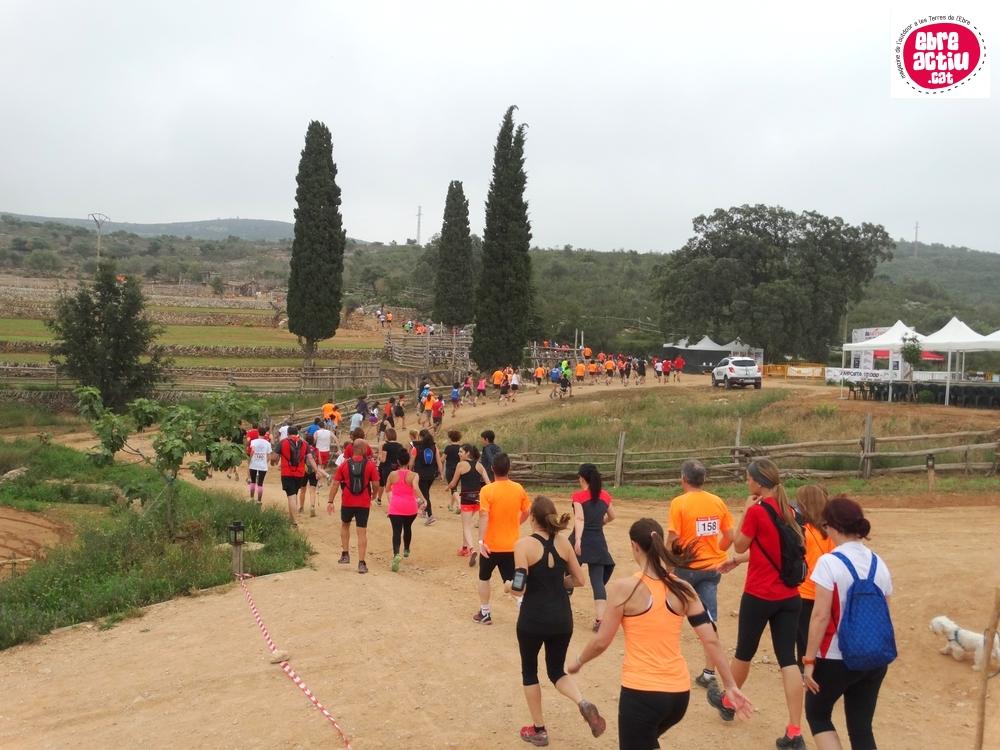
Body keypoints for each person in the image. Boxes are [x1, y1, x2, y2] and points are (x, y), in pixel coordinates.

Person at [568, 518, 752, 750]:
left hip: (642, 694)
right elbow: (711, 639)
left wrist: (579, 661)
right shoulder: (683, 588)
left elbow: (601, 641)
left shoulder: (624, 589)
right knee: (646, 741)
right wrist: (730, 685)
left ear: (634, 546)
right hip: (678, 697)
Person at [711, 459, 805, 749]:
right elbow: (775, 550)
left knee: (745, 651)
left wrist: (745, 511)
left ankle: (729, 701)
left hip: (759, 594)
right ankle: (795, 730)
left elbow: (740, 543)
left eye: (748, 478)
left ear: (758, 482)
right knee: (788, 659)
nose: (746, 481)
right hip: (789, 595)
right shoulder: (790, 511)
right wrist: (739, 561)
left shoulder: (757, 511)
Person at [507, 496, 606, 746]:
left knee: (530, 671)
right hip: (562, 619)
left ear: (532, 518)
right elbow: (580, 580)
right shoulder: (563, 542)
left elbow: (519, 587)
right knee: (556, 671)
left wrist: (508, 586)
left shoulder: (524, 545)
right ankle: (582, 701)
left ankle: (539, 729)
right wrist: (560, 582)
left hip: (532, 619)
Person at [803, 497, 894, 750]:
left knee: (818, 715)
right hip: (874, 657)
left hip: (835, 656)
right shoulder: (879, 563)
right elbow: (884, 612)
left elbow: (820, 616)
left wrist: (809, 661)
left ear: (832, 526)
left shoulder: (829, 562)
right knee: (861, 727)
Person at [666, 459, 735, 689]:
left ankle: (667, 665)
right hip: (711, 569)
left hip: (686, 568)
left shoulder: (679, 503)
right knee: (708, 619)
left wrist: (668, 565)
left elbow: (673, 538)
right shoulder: (717, 501)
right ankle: (709, 672)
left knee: (671, 615)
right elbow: (729, 536)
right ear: (703, 479)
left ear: (683, 479)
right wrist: (716, 552)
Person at [474, 453, 529, 625]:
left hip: (490, 546)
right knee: (512, 580)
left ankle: (485, 612)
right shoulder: (518, 488)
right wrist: (516, 523)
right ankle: (523, 607)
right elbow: (526, 511)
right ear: (509, 468)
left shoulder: (487, 490)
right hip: (511, 545)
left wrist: (481, 541)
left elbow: (484, 516)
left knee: (484, 577)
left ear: (492, 469)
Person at [571, 463, 616, 632]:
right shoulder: (605, 496)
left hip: (581, 539)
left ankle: (560, 608)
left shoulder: (578, 496)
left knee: (567, 575)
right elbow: (612, 516)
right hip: (597, 540)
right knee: (597, 582)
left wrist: (578, 540)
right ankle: (600, 620)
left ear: (582, 478)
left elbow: (579, 519)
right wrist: (601, 522)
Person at [328, 438, 380, 574]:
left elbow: (335, 483)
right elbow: (376, 483)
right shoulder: (370, 465)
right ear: (362, 449)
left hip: (347, 501)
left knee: (345, 525)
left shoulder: (344, 464)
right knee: (361, 531)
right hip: (363, 502)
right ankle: (361, 563)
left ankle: (345, 554)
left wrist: (330, 501)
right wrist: (374, 495)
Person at [796, 485, 834, 669]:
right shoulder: (832, 531)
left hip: (803, 593)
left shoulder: (802, 531)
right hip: (826, 592)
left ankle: (806, 672)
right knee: (823, 637)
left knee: (803, 641)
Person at [385, 452, 428, 572]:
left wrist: (391, 502)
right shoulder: (414, 475)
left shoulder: (392, 474)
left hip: (396, 506)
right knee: (407, 527)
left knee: (396, 531)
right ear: (409, 461)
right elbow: (415, 487)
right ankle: (406, 549)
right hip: (410, 506)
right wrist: (424, 500)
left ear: (398, 462)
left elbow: (387, 489)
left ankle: (396, 555)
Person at [447, 443, 491, 561]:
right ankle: (464, 548)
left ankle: (472, 549)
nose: (459, 453)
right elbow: (488, 483)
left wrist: (447, 487)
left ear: (468, 453)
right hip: (478, 500)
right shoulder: (479, 465)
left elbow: (453, 483)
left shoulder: (460, 465)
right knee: (466, 523)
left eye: (461, 451)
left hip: (466, 500)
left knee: (466, 526)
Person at [271, 425, 307, 527]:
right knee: (293, 495)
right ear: (297, 433)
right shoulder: (304, 443)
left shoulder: (283, 442)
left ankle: (295, 522)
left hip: (287, 473)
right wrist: (317, 470)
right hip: (300, 473)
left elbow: (274, 457)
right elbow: (309, 457)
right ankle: (291, 520)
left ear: (287, 433)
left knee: (291, 496)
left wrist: (273, 462)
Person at [297, 433, 330, 517]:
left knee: (302, 490)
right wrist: (318, 471)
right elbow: (320, 462)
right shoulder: (316, 450)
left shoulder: (303, 449)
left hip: (304, 471)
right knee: (312, 490)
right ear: (313, 441)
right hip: (313, 471)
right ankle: (312, 507)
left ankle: (301, 507)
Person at [412, 429, 440, 525]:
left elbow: (411, 462)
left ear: (420, 437)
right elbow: (439, 461)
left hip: (420, 474)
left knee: (425, 495)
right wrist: (441, 473)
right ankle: (424, 511)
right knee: (425, 492)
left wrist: (410, 470)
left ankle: (430, 515)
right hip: (431, 474)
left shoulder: (416, 447)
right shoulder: (434, 447)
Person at [375, 428, 406, 507]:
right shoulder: (400, 446)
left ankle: (391, 505)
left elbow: (383, 460)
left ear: (387, 436)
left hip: (386, 468)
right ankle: (395, 502)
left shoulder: (386, 446)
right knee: (395, 486)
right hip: (396, 467)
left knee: (386, 486)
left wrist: (379, 455)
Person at [440, 430, 463, 513]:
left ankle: (459, 504)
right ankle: (451, 505)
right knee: (454, 488)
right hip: (459, 470)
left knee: (453, 488)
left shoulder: (448, 448)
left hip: (450, 470)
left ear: (450, 438)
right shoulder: (461, 448)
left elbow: (442, 460)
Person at [247, 427, 271, 505]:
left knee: (253, 482)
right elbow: (269, 456)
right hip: (263, 466)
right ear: (265, 434)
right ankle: (259, 500)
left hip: (254, 464)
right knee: (260, 483)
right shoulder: (267, 443)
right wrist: (265, 462)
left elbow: (252, 451)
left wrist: (250, 460)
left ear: (258, 433)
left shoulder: (253, 441)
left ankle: (251, 498)